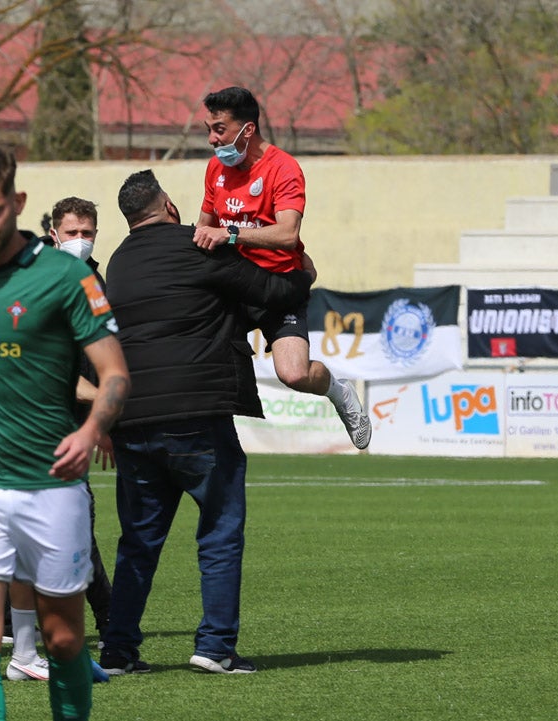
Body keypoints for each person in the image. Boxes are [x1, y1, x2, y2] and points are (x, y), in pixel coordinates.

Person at [0, 145, 129, 721]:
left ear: (18, 203)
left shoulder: (68, 275)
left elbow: (115, 373)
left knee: (64, 638)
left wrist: (92, 429)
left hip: (50, 484)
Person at [99, 170, 313, 675]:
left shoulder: (118, 262)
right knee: (219, 531)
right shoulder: (196, 245)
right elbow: (268, 291)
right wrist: (304, 274)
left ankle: (118, 650)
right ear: (171, 207)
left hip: (133, 419)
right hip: (196, 415)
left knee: (137, 543)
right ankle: (215, 646)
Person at [192, 86, 372, 450]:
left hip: (278, 287)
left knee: (294, 374)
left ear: (247, 130)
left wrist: (230, 234)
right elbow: (203, 228)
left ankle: (339, 392)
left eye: (219, 129)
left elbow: (288, 234)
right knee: (194, 349)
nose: (212, 139)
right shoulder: (215, 169)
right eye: (209, 129)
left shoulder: (283, 167)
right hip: (233, 285)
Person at [48, 195, 113, 642]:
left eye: (87, 233)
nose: (80, 240)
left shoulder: (94, 280)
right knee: (70, 527)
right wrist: (104, 405)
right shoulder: (41, 281)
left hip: (72, 424)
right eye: (72, 232)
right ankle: (110, 619)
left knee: (72, 525)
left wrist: (98, 421)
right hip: (37, 421)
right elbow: (49, 367)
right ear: (54, 234)